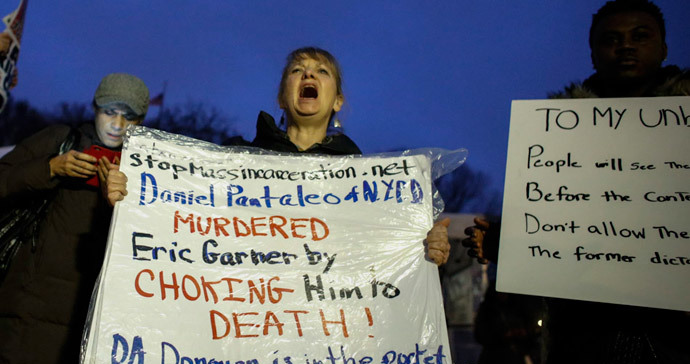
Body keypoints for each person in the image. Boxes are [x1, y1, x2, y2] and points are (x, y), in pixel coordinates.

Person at [464, 1, 689, 364]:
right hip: (584, 344)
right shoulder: (556, 135)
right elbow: (558, 236)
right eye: (611, 39)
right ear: (593, 52)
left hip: (676, 344)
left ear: (665, 47)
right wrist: (509, 244)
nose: (625, 47)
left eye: (640, 36)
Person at [107, 47, 451, 265]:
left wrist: (425, 245)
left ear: (337, 102)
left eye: (322, 70)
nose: (309, 74)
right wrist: (133, 191)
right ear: (282, 98)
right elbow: (181, 216)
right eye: (297, 69)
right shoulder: (234, 159)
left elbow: (386, 254)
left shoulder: (368, 181)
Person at [0, 73, 149, 364]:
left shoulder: (146, 169)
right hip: (26, 316)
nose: (117, 125)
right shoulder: (58, 140)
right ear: (94, 108)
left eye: (129, 117)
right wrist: (50, 168)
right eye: (110, 112)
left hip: (93, 331)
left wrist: (123, 203)